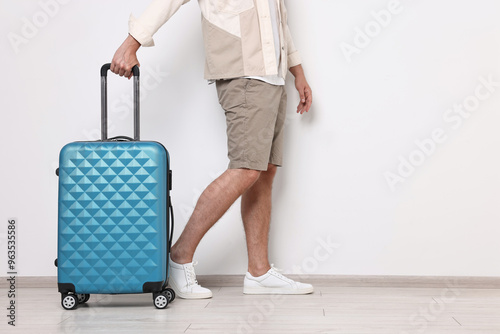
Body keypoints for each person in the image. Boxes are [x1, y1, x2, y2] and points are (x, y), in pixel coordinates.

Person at [111, 0, 313, 299]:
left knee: (264, 172)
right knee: (246, 169)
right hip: (243, 73)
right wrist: (132, 43)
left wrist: (298, 73)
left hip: (274, 76)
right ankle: (180, 256)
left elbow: (278, 20)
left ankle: (258, 272)